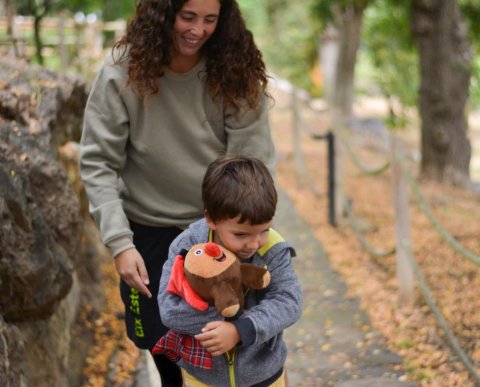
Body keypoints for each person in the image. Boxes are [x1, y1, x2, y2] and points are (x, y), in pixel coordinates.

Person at [79, 0, 275, 385]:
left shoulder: (234, 71)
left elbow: (252, 163)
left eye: (209, 19)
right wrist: (120, 243)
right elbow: (99, 162)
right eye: (187, 17)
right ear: (163, 14)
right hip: (147, 233)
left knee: (226, 349)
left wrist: (244, 235)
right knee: (161, 345)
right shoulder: (123, 71)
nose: (197, 30)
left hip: (217, 233)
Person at [157, 155, 302, 387]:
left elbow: (289, 301)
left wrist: (240, 330)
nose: (254, 244)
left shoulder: (273, 248)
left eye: (264, 230)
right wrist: (221, 322)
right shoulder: (186, 248)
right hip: (203, 378)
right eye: (241, 235)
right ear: (211, 219)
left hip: (264, 376)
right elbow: (168, 309)